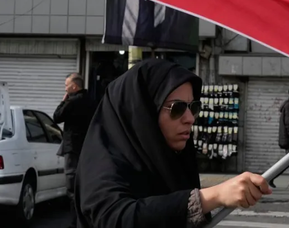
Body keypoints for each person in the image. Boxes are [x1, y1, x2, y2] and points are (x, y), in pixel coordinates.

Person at [74, 59, 272, 228]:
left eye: (193, 107)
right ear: (143, 114)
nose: (190, 118)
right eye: (177, 108)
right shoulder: (102, 163)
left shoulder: (170, 159)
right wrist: (213, 196)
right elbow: (114, 218)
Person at [53, 73, 95, 228]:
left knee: (72, 188)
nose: (65, 89)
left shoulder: (73, 101)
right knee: (85, 186)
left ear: (74, 86)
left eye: (66, 85)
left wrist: (63, 101)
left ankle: (75, 223)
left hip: (73, 149)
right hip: (88, 148)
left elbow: (57, 117)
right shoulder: (91, 101)